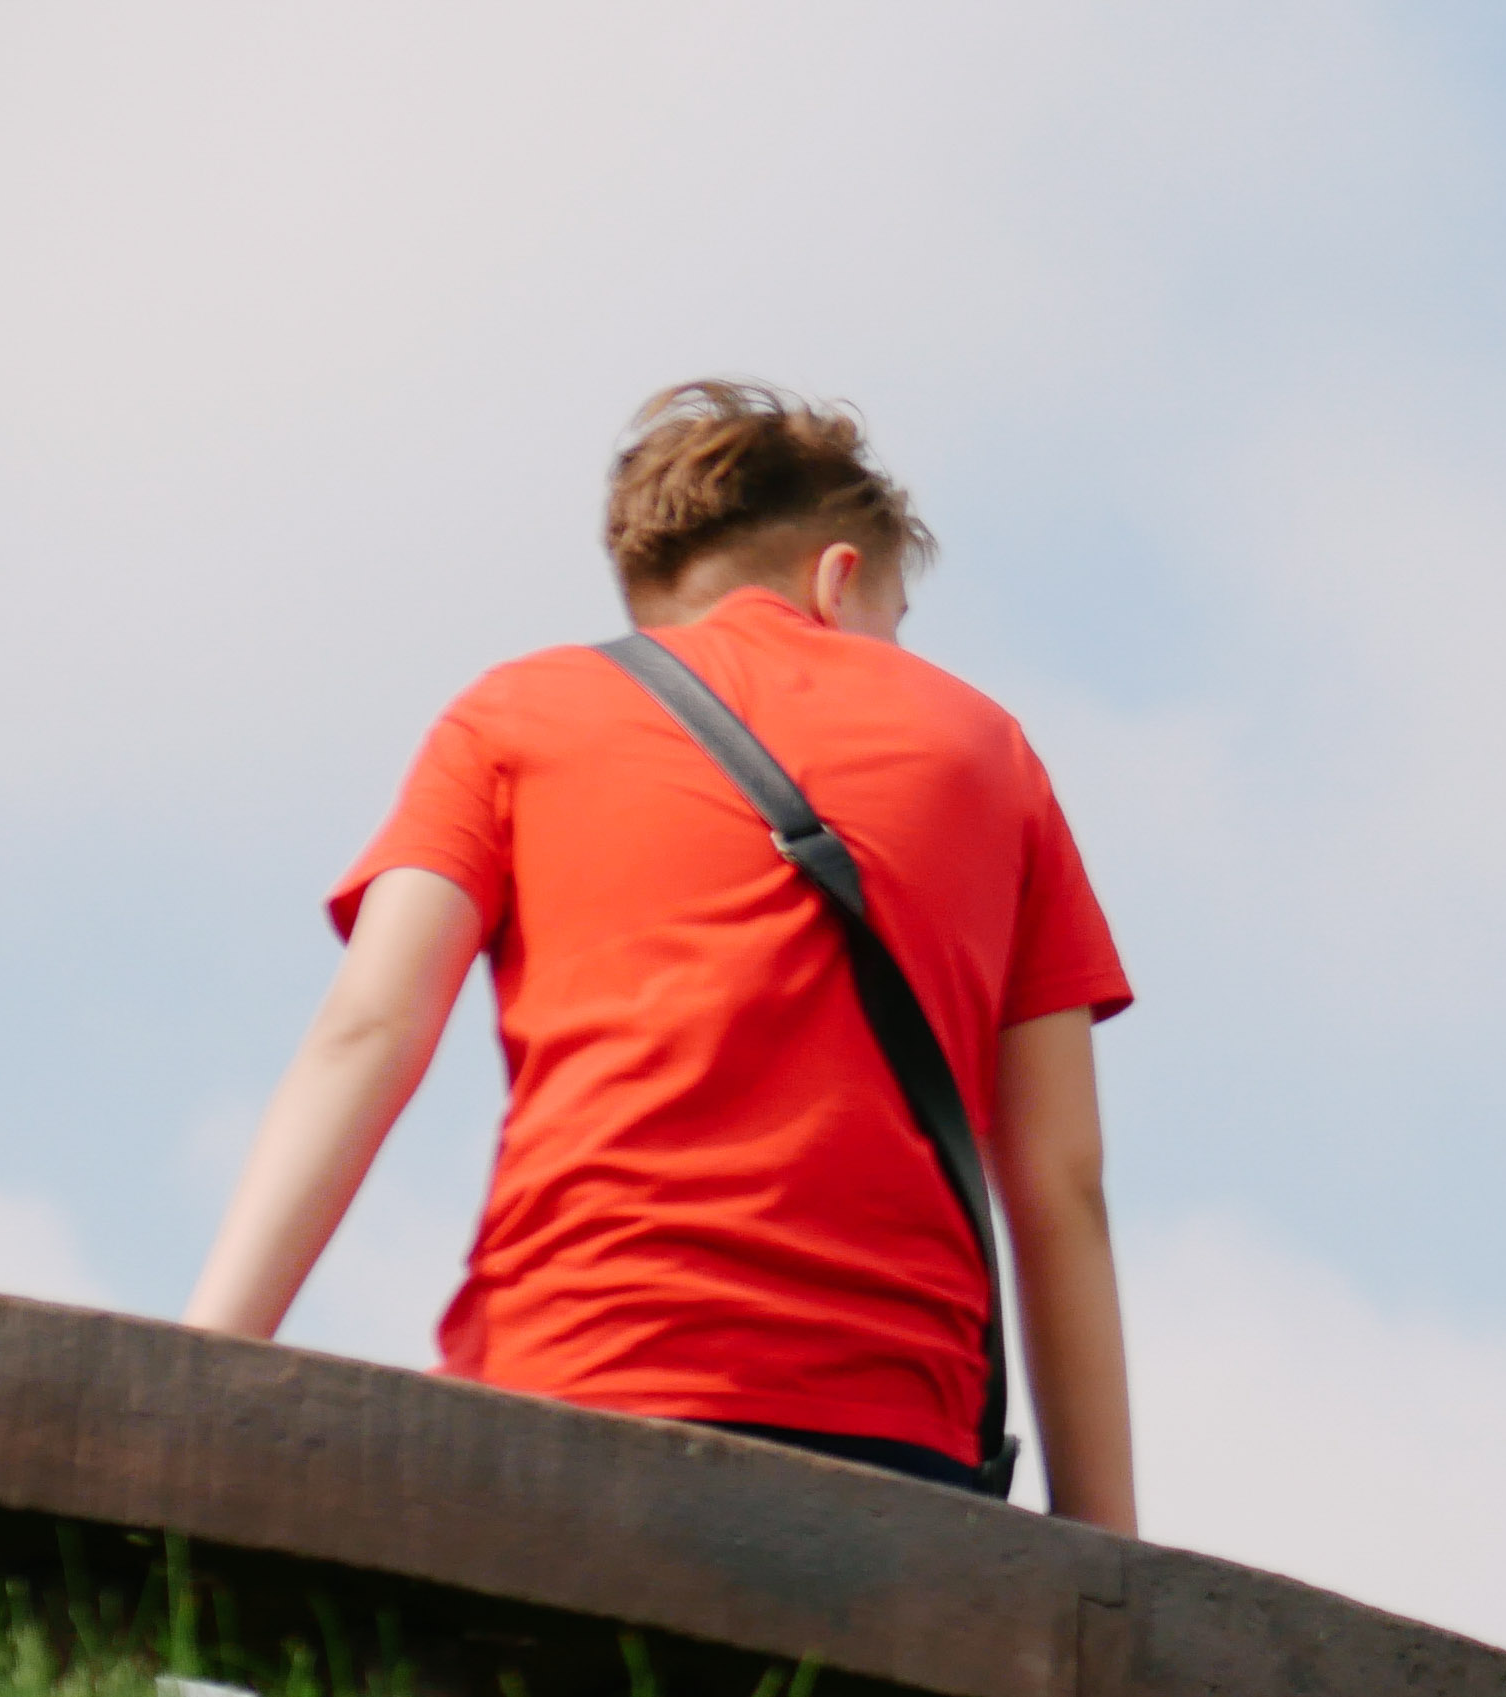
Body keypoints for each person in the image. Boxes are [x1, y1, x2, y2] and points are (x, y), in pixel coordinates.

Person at [183, 382, 1138, 1528]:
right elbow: (1059, 1182)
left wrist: (197, 1375)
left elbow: (368, 1032)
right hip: (891, 1449)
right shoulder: (991, 753)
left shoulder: (514, 716)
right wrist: (1100, 1560)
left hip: (562, 1390)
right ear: (840, 579)